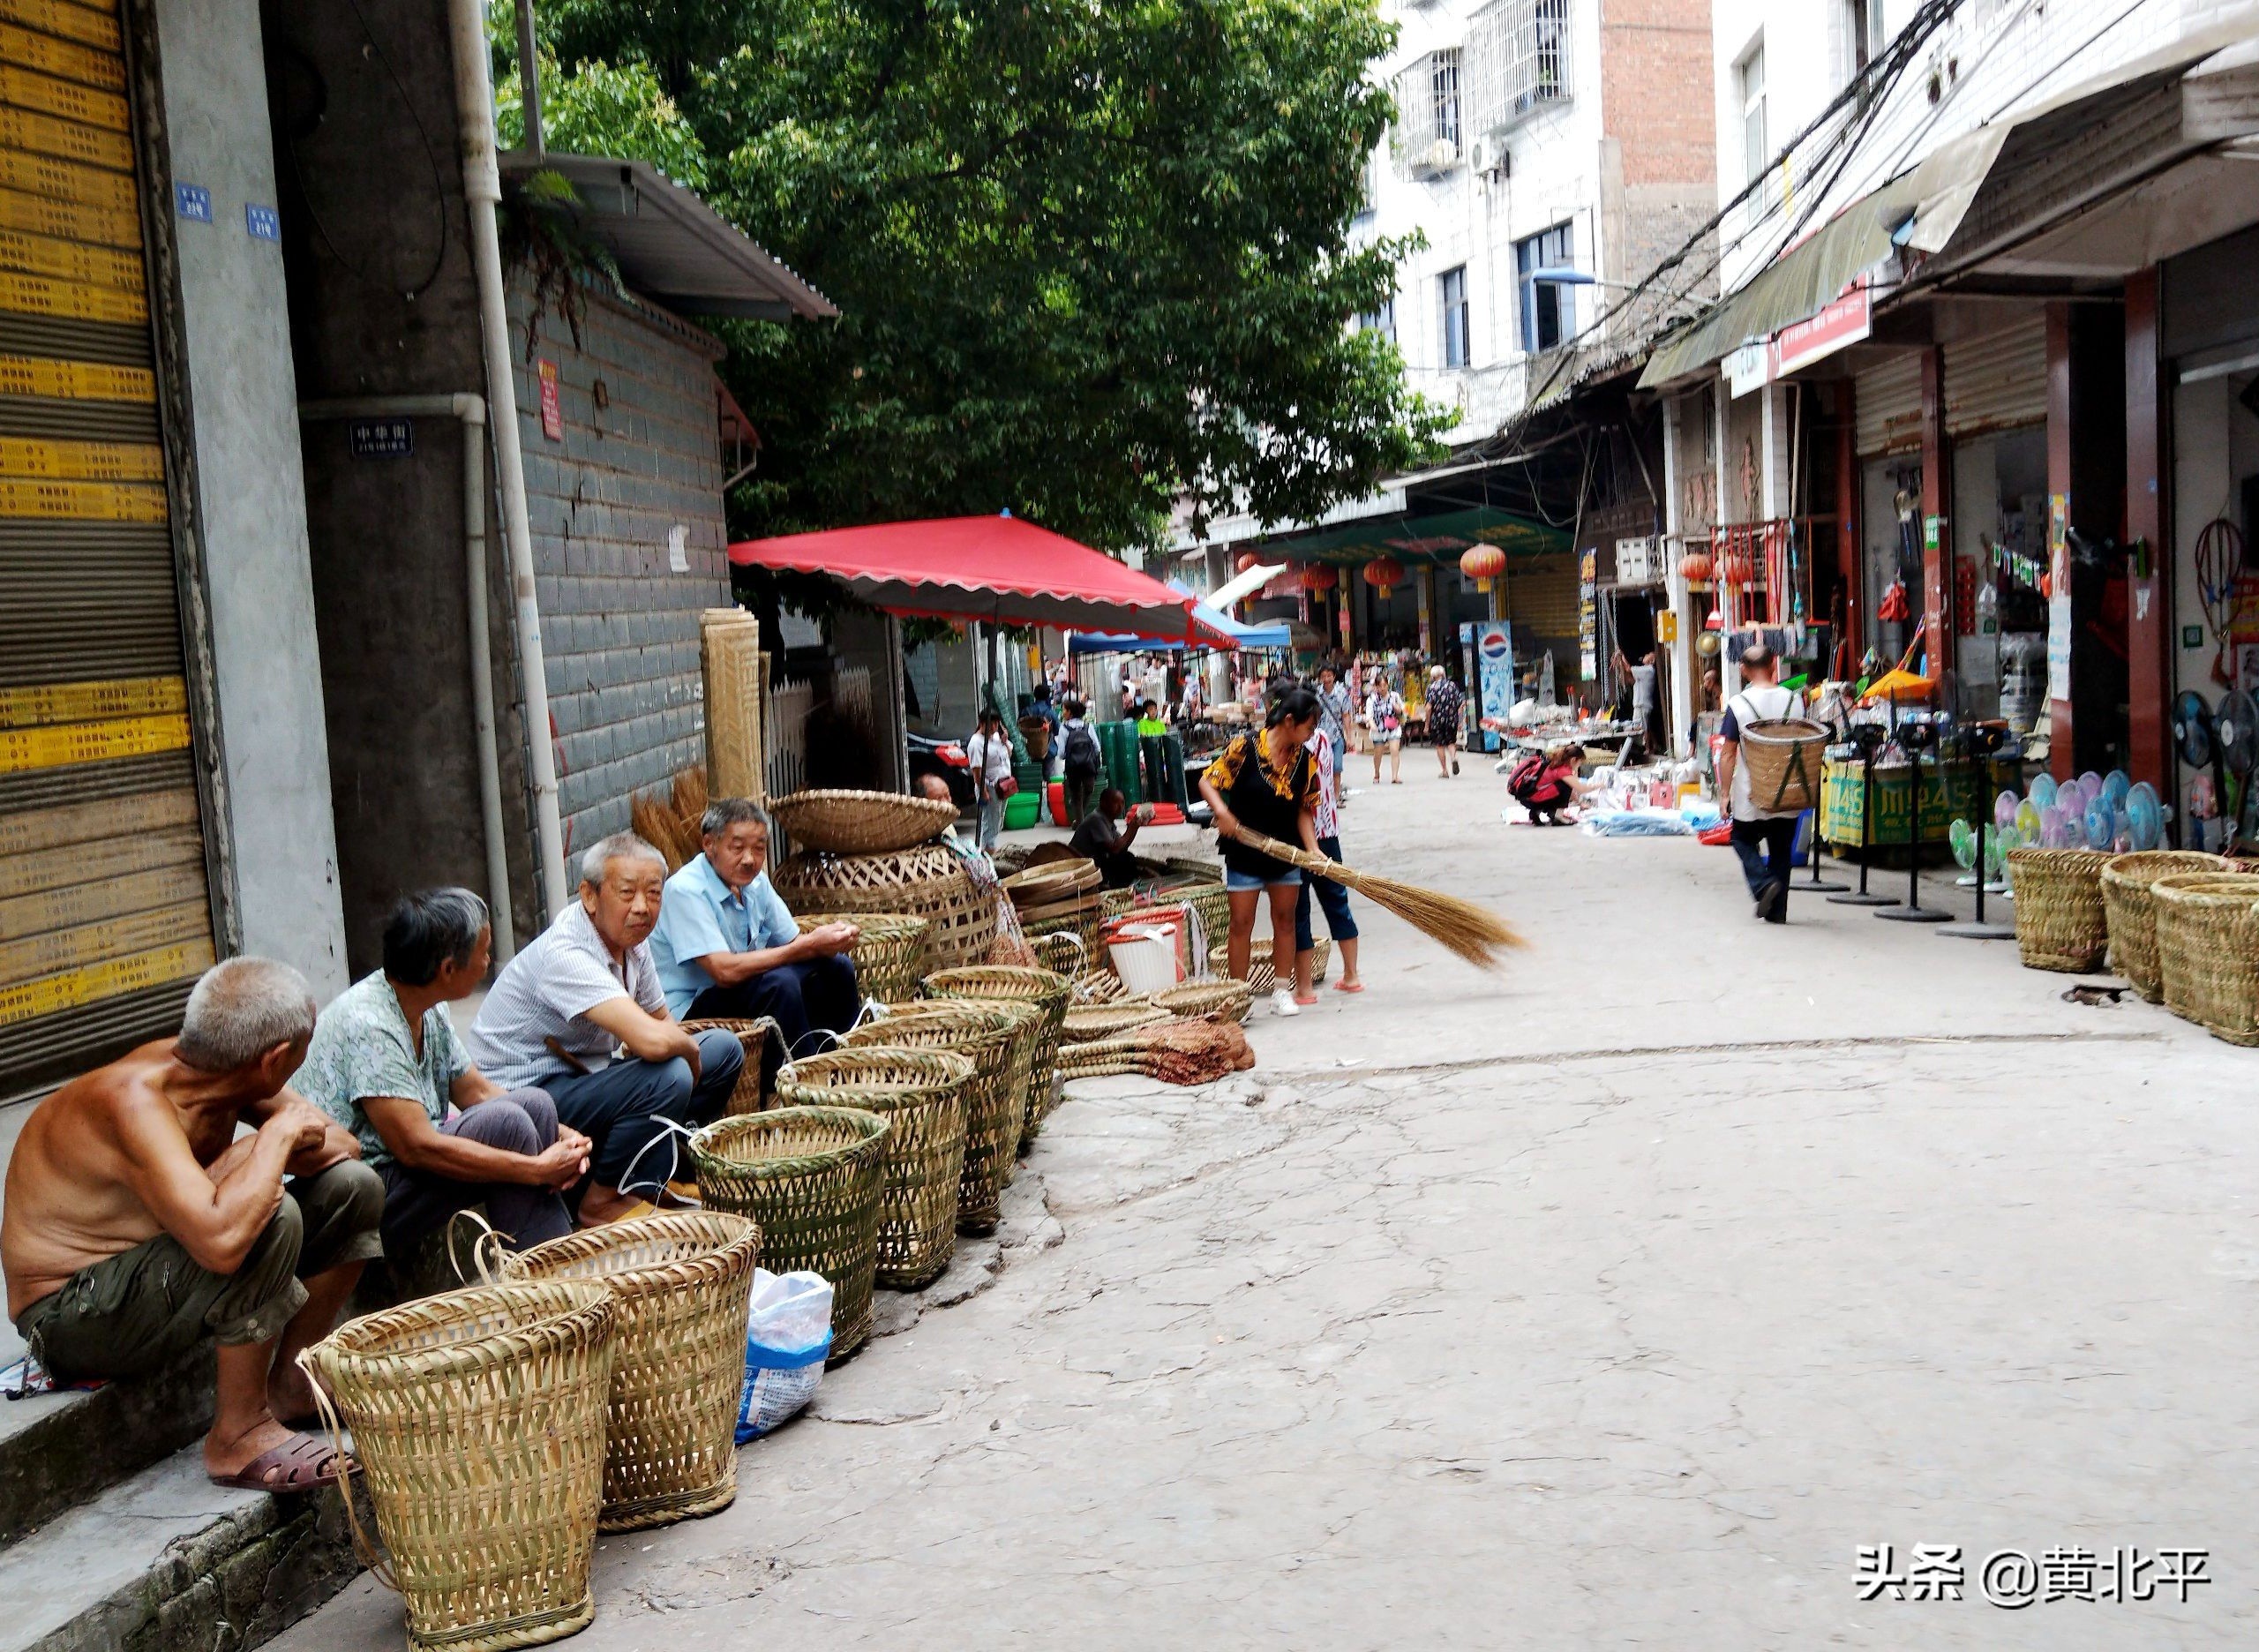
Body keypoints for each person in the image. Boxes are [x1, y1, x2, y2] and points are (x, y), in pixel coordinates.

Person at [3, 958, 382, 1491]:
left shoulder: (226, 1071)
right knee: (271, 1215)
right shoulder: (135, 1102)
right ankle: (237, 1433)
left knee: (355, 1189)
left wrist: (256, 1155)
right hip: (67, 1315)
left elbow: (343, 1145)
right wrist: (266, 1144)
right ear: (276, 1060)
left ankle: (294, 1381)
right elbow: (223, 1244)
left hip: (155, 1270)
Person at [298, 890, 586, 1264]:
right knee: (508, 1124)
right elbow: (415, 1147)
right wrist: (535, 1170)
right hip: (353, 1196)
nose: (487, 961)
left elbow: (477, 1092)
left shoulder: (424, 1007)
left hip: (399, 1172)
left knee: (537, 1104)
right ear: (448, 969)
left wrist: (562, 1133)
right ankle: (552, 1276)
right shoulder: (370, 1024)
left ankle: (550, 1264)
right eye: (483, 952)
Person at [471, 832, 745, 1221]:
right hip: (525, 1097)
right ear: (589, 896)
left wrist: (685, 1049)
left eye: (653, 894)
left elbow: (661, 1020)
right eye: (627, 892)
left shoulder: (632, 942)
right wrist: (686, 1050)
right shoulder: (567, 952)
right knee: (670, 1073)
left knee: (724, 1049)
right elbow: (652, 1041)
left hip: (583, 1078)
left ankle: (659, 1177)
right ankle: (602, 1201)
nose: (642, 908)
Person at [653, 799, 862, 1058]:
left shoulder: (755, 883)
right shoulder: (685, 890)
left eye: (759, 849)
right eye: (737, 848)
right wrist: (809, 945)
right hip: (692, 1008)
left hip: (740, 988)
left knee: (837, 967)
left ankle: (845, 1060)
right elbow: (724, 971)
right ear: (709, 844)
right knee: (780, 984)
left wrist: (829, 942)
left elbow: (791, 942)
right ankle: (805, 1076)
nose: (750, 859)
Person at [1200, 687, 1324, 1018]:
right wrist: (1222, 814)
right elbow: (1208, 782)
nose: (1312, 734)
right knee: (1241, 922)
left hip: (1285, 853)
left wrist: (1312, 850)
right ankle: (1239, 997)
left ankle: (1281, 991)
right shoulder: (1246, 747)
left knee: (1285, 920)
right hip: (1244, 851)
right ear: (1289, 721)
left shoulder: (1306, 761)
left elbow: (1304, 810)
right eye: (1309, 727)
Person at [1715, 642, 1808, 923]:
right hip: (1788, 788)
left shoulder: (1738, 705)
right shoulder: (1795, 701)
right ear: (1773, 665)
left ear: (1743, 670)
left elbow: (1728, 753)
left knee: (1741, 838)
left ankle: (1762, 884)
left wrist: (1724, 793)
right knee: (1781, 849)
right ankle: (1777, 911)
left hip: (1751, 791)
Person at [1293, 717, 1362, 1004]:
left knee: (1298, 912)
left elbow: (1298, 797)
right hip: (1328, 832)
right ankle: (1351, 975)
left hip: (1297, 838)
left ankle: (1305, 989)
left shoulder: (1290, 744)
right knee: (1337, 902)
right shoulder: (1322, 738)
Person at [1069, 788, 1153, 888]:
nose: (1120, 807)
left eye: (1122, 803)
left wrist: (1135, 827)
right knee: (1125, 859)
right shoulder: (1096, 819)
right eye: (1116, 803)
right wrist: (1130, 828)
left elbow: (1123, 846)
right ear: (1103, 803)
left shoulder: (1108, 821)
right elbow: (1115, 849)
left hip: (1095, 861)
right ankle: (1117, 887)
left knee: (1127, 856)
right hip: (1082, 866)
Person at [966, 707, 1016, 852]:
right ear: (982, 723)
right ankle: (988, 849)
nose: (993, 727)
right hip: (990, 786)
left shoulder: (996, 737)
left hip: (1004, 785)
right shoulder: (976, 742)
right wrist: (983, 791)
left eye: (996, 723)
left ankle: (990, 846)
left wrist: (1005, 741)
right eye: (990, 723)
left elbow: (1009, 754)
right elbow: (976, 770)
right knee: (990, 821)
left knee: (998, 818)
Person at [1508, 742, 1592, 825]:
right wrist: (1600, 785)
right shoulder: (1562, 769)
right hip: (1533, 799)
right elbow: (1579, 788)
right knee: (1564, 785)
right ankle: (1558, 816)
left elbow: (1571, 792)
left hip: (1525, 797)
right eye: (1580, 762)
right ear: (1573, 760)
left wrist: (1580, 803)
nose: (1580, 765)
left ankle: (1537, 811)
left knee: (1560, 787)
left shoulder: (1553, 761)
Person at [1058, 697, 1104, 826]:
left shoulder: (1064, 729)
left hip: (1073, 767)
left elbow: (1061, 754)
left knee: (1076, 795)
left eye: (1064, 710)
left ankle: (1079, 821)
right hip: (1089, 766)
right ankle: (1080, 820)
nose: (1063, 713)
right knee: (1089, 790)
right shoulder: (1088, 726)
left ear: (1070, 712)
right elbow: (1097, 747)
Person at [1315, 665, 1353, 793]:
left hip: (1337, 736)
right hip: (1320, 738)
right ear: (1320, 678)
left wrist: (1349, 737)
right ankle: (1324, 796)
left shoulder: (1342, 693)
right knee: (1322, 768)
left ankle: (1336, 797)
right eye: (1323, 676)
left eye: (1329, 676)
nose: (1326, 679)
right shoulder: (1316, 694)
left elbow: (1346, 715)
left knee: (1336, 767)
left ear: (1334, 676)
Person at [1364, 672, 1405, 785]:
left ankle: (1395, 776)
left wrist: (1398, 709)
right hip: (1379, 728)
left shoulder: (1394, 696)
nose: (1382, 688)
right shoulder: (1372, 699)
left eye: (1384, 685)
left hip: (1393, 727)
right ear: (1376, 687)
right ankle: (1377, 773)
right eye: (1380, 686)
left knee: (1395, 750)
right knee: (1378, 753)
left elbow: (1402, 710)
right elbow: (1369, 715)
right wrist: (1372, 725)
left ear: (1388, 685)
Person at [1425, 665, 1464, 777]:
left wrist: (1427, 724)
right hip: (1452, 720)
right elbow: (1461, 705)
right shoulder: (1452, 686)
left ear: (1433, 676)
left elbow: (1428, 708)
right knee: (1451, 743)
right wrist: (1460, 721)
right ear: (1443, 674)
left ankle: (1445, 771)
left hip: (1436, 721)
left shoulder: (1431, 688)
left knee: (1440, 745)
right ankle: (1453, 758)